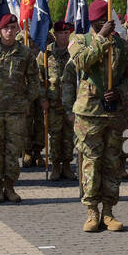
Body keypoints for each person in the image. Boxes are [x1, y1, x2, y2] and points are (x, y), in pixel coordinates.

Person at [69, 0, 128, 231]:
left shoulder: (121, 44)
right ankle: (92, 211)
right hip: (89, 114)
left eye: (106, 21)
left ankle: (108, 211)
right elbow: (80, 62)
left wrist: (121, 92)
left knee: (113, 162)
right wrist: (100, 39)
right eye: (100, 22)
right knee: (91, 162)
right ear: (93, 22)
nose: (105, 25)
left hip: (114, 113)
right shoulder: (79, 40)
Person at [0, 15, 46, 203]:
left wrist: (26, 101)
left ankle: (10, 186)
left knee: (13, 151)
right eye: (6, 28)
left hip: (16, 112)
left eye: (13, 28)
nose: (10, 31)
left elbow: (34, 81)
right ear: (0, 30)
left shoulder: (25, 53)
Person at [45, 19, 78, 182]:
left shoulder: (74, 52)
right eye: (61, 33)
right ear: (55, 34)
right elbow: (38, 77)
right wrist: (42, 98)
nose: (64, 37)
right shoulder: (46, 54)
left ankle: (67, 165)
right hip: (53, 102)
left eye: (67, 33)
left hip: (71, 102)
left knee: (68, 135)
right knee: (55, 135)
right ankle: (55, 166)